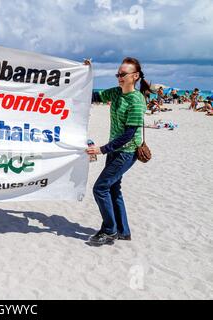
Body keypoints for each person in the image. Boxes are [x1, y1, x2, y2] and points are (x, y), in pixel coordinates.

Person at [85, 57, 148, 245]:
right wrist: (85, 74)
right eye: (117, 74)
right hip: (114, 150)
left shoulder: (137, 101)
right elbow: (93, 96)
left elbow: (129, 135)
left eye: (123, 74)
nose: (119, 77)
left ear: (135, 76)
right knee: (113, 189)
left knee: (100, 188)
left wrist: (102, 149)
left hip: (127, 152)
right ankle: (123, 231)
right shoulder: (116, 93)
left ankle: (109, 230)